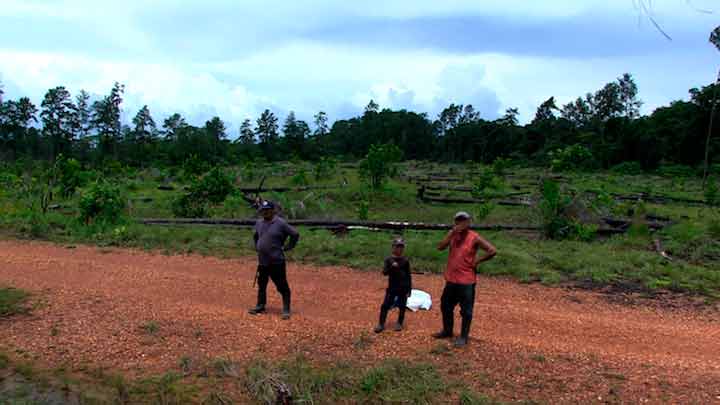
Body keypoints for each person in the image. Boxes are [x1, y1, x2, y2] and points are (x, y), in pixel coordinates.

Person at [433, 211, 496, 347]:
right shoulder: (453, 235)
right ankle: (447, 331)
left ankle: (463, 337)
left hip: (466, 281)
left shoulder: (474, 237)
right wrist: (451, 234)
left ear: (468, 222)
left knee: (466, 311)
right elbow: (440, 247)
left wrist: (477, 261)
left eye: (464, 220)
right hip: (451, 279)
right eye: (458, 220)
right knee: (445, 306)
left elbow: (492, 250)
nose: (461, 223)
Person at [249, 200, 300, 320]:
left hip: (276, 260)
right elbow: (256, 235)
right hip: (263, 261)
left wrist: (288, 247)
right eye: (263, 210)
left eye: (267, 210)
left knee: (281, 285)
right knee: (262, 284)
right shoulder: (259, 223)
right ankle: (260, 305)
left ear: (273, 210)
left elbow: (295, 234)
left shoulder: (280, 223)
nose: (265, 212)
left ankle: (286, 309)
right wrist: (257, 245)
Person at [374, 238, 412, 333]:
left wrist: (409, 289)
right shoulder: (388, 260)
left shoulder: (405, 260)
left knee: (402, 306)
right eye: (397, 247)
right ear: (393, 248)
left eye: (401, 247)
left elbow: (408, 275)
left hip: (403, 287)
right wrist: (392, 266)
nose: (399, 249)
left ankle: (399, 323)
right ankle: (381, 324)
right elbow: (384, 272)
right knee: (385, 305)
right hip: (392, 287)